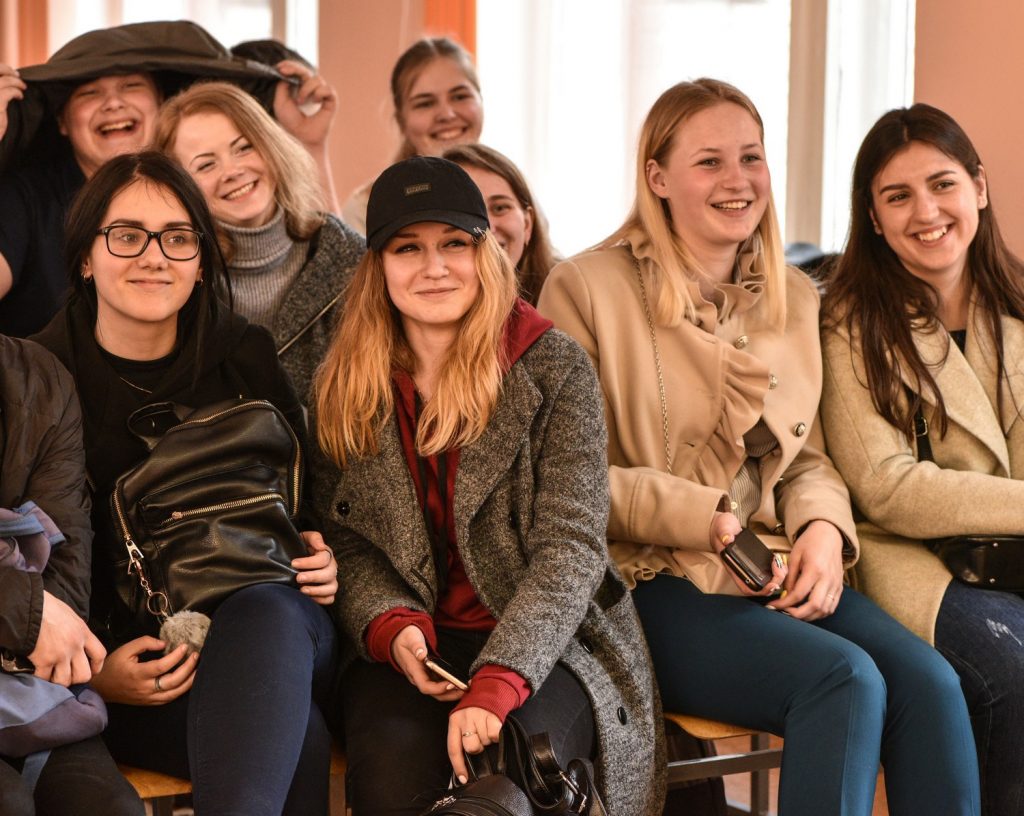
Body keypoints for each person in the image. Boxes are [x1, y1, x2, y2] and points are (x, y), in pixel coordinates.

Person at [538, 78, 980, 816]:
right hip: (648, 581)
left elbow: (806, 460)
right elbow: (570, 480)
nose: (738, 180)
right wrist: (705, 517)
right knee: (843, 680)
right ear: (657, 177)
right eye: (709, 161)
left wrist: (822, 530)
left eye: (751, 157)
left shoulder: (795, 295)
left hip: (770, 565)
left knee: (931, 684)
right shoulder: (585, 287)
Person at [311, 156, 663, 816]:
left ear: (486, 253)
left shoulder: (553, 366)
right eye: (407, 248)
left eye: (454, 243)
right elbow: (346, 542)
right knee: (389, 784)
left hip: (549, 637)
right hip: (417, 643)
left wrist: (501, 679)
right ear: (377, 265)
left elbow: (572, 550)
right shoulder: (347, 381)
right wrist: (390, 625)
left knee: (512, 785)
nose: (434, 267)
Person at [31, 151, 339, 816]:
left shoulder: (245, 353)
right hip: (128, 668)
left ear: (201, 260)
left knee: (267, 616)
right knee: (301, 737)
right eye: (127, 236)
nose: (154, 257)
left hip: (277, 622)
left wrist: (323, 554)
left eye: (177, 237)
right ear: (84, 258)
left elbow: (308, 502)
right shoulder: (37, 377)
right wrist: (98, 671)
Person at [820, 103, 1024, 815]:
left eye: (943, 185)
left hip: (1010, 553)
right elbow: (887, 488)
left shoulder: (1017, 307)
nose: (926, 212)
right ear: (874, 218)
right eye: (898, 196)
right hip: (908, 561)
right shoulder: (847, 322)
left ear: (979, 188)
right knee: (1008, 659)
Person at [0, 20, 337, 338]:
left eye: (131, 86)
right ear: (62, 121)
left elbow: (327, 258)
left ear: (161, 104)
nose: (113, 103)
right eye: (89, 93)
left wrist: (311, 145)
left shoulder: (198, 196)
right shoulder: (26, 197)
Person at [0, 334, 143, 816]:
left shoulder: (37, 375)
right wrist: (29, 611)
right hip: (22, 633)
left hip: (22, 683)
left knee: (108, 807)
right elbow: (41, 613)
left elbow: (68, 557)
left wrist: (37, 623)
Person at [153, 80, 364, 401]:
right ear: (179, 187)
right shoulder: (170, 278)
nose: (232, 170)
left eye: (244, 148)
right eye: (206, 164)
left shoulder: (352, 258)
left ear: (270, 146)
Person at [341, 37, 483, 234]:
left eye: (460, 96)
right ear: (401, 121)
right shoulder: (365, 210)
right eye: (425, 103)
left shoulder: (514, 193)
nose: (447, 114)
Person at [443, 143, 556, 305]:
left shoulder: (568, 294)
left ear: (527, 224)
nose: (487, 228)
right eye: (466, 211)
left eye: (500, 208)